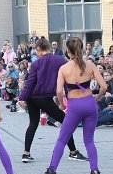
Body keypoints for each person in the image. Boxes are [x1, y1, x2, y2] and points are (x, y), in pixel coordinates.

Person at [33, 37, 107, 174]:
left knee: (62, 139)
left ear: (68, 50)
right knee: (89, 140)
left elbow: (59, 91)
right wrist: (97, 98)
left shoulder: (64, 68)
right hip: (90, 104)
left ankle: (51, 171)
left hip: (74, 106)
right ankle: (95, 171)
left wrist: (61, 105)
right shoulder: (90, 65)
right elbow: (104, 87)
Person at [17, 37, 86, 165]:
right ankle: (73, 151)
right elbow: (66, 78)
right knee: (66, 122)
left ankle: (26, 153)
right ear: (48, 47)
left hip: (33, 98)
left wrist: (22, 98)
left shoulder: (36, 63)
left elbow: (30, 82)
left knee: (33, 123)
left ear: (38, 49)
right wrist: (70, 95)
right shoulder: (60, 60)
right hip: (44, 98)